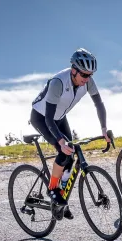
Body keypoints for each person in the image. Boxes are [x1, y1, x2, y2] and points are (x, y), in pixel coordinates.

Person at [30, 48, 111, 215]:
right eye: (84, 75)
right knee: (64, 150)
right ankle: (53, 189)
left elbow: (99, 104)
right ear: (74, 70)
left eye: (90, 75)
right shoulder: (58, 83)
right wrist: (60, 142)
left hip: (60, 117)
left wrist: (104, 129)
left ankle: (62, 197)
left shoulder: (87, 81)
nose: (87, 79)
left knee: (71, 154)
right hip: (42, 118)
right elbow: (48, 119)